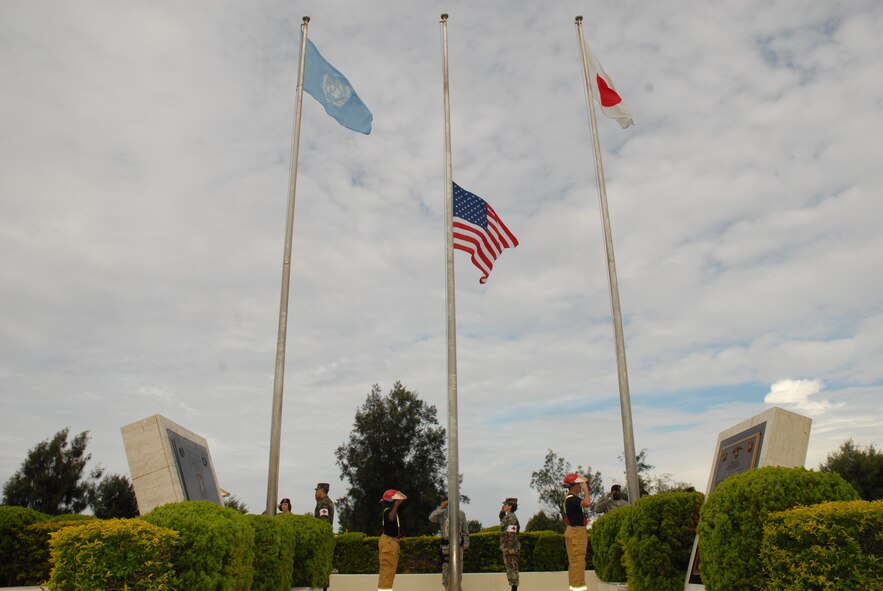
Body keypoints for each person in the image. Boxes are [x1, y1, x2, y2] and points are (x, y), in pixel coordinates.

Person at [428, 498, 470, 589]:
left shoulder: (461, 514)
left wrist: (465, 544)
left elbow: (465, 531)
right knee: (446, 576)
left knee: (458, 574)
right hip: (446, 547)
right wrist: (440, 507)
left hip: (458, 547)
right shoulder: (442, 513)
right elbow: (431, 518)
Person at [561, 473, 592, 591]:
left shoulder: (570, 499)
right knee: (578, 563)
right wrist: (586, 490)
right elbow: (587, 503)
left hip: (574, 532)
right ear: (574, 485)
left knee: (575, 563)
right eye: (580, 484)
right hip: (576, 532)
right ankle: (579, 588)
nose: (581, 486)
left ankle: (575, 588)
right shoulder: (572, 499)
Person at [378, 489, 406, 591]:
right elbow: (391, 518)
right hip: (389, 543)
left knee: (389, 574)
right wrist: (396, 505)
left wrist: (397, 497)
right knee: (387, 573)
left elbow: (404, 497)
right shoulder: (387, 510)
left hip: (391, 542)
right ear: (391, 501)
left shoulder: (389, 509)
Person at [499, 497, 520, 591]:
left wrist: (510, 548)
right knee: (510, 570)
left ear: (510, 506)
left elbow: (512, 533)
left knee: (512, 571)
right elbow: (503, 523)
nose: (504, 506)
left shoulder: (511, 518)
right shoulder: (508, 517)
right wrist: (502, 512)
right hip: (507, 547)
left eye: (506, 504)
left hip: (510, 548)